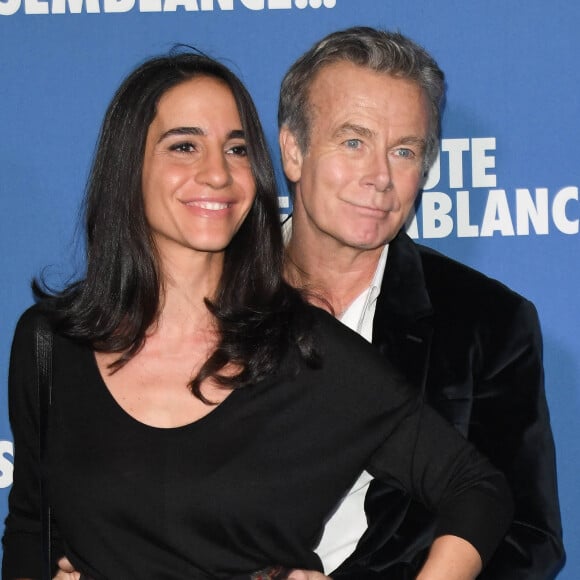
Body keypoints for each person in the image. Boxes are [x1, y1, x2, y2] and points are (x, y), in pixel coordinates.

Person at [2, 50, 514, 579]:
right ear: (129, 166)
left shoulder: (308, 351)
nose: (217, 173)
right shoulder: (50, 344)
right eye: (184, 146)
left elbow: (477, 490)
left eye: (237, 149)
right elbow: (29, 528)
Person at [278, 27, 565, 579]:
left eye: (404, 151)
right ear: (293, 148)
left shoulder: (489, 323)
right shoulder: (208, 297)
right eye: (353, 141)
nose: (380, 178)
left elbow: (528, 538)